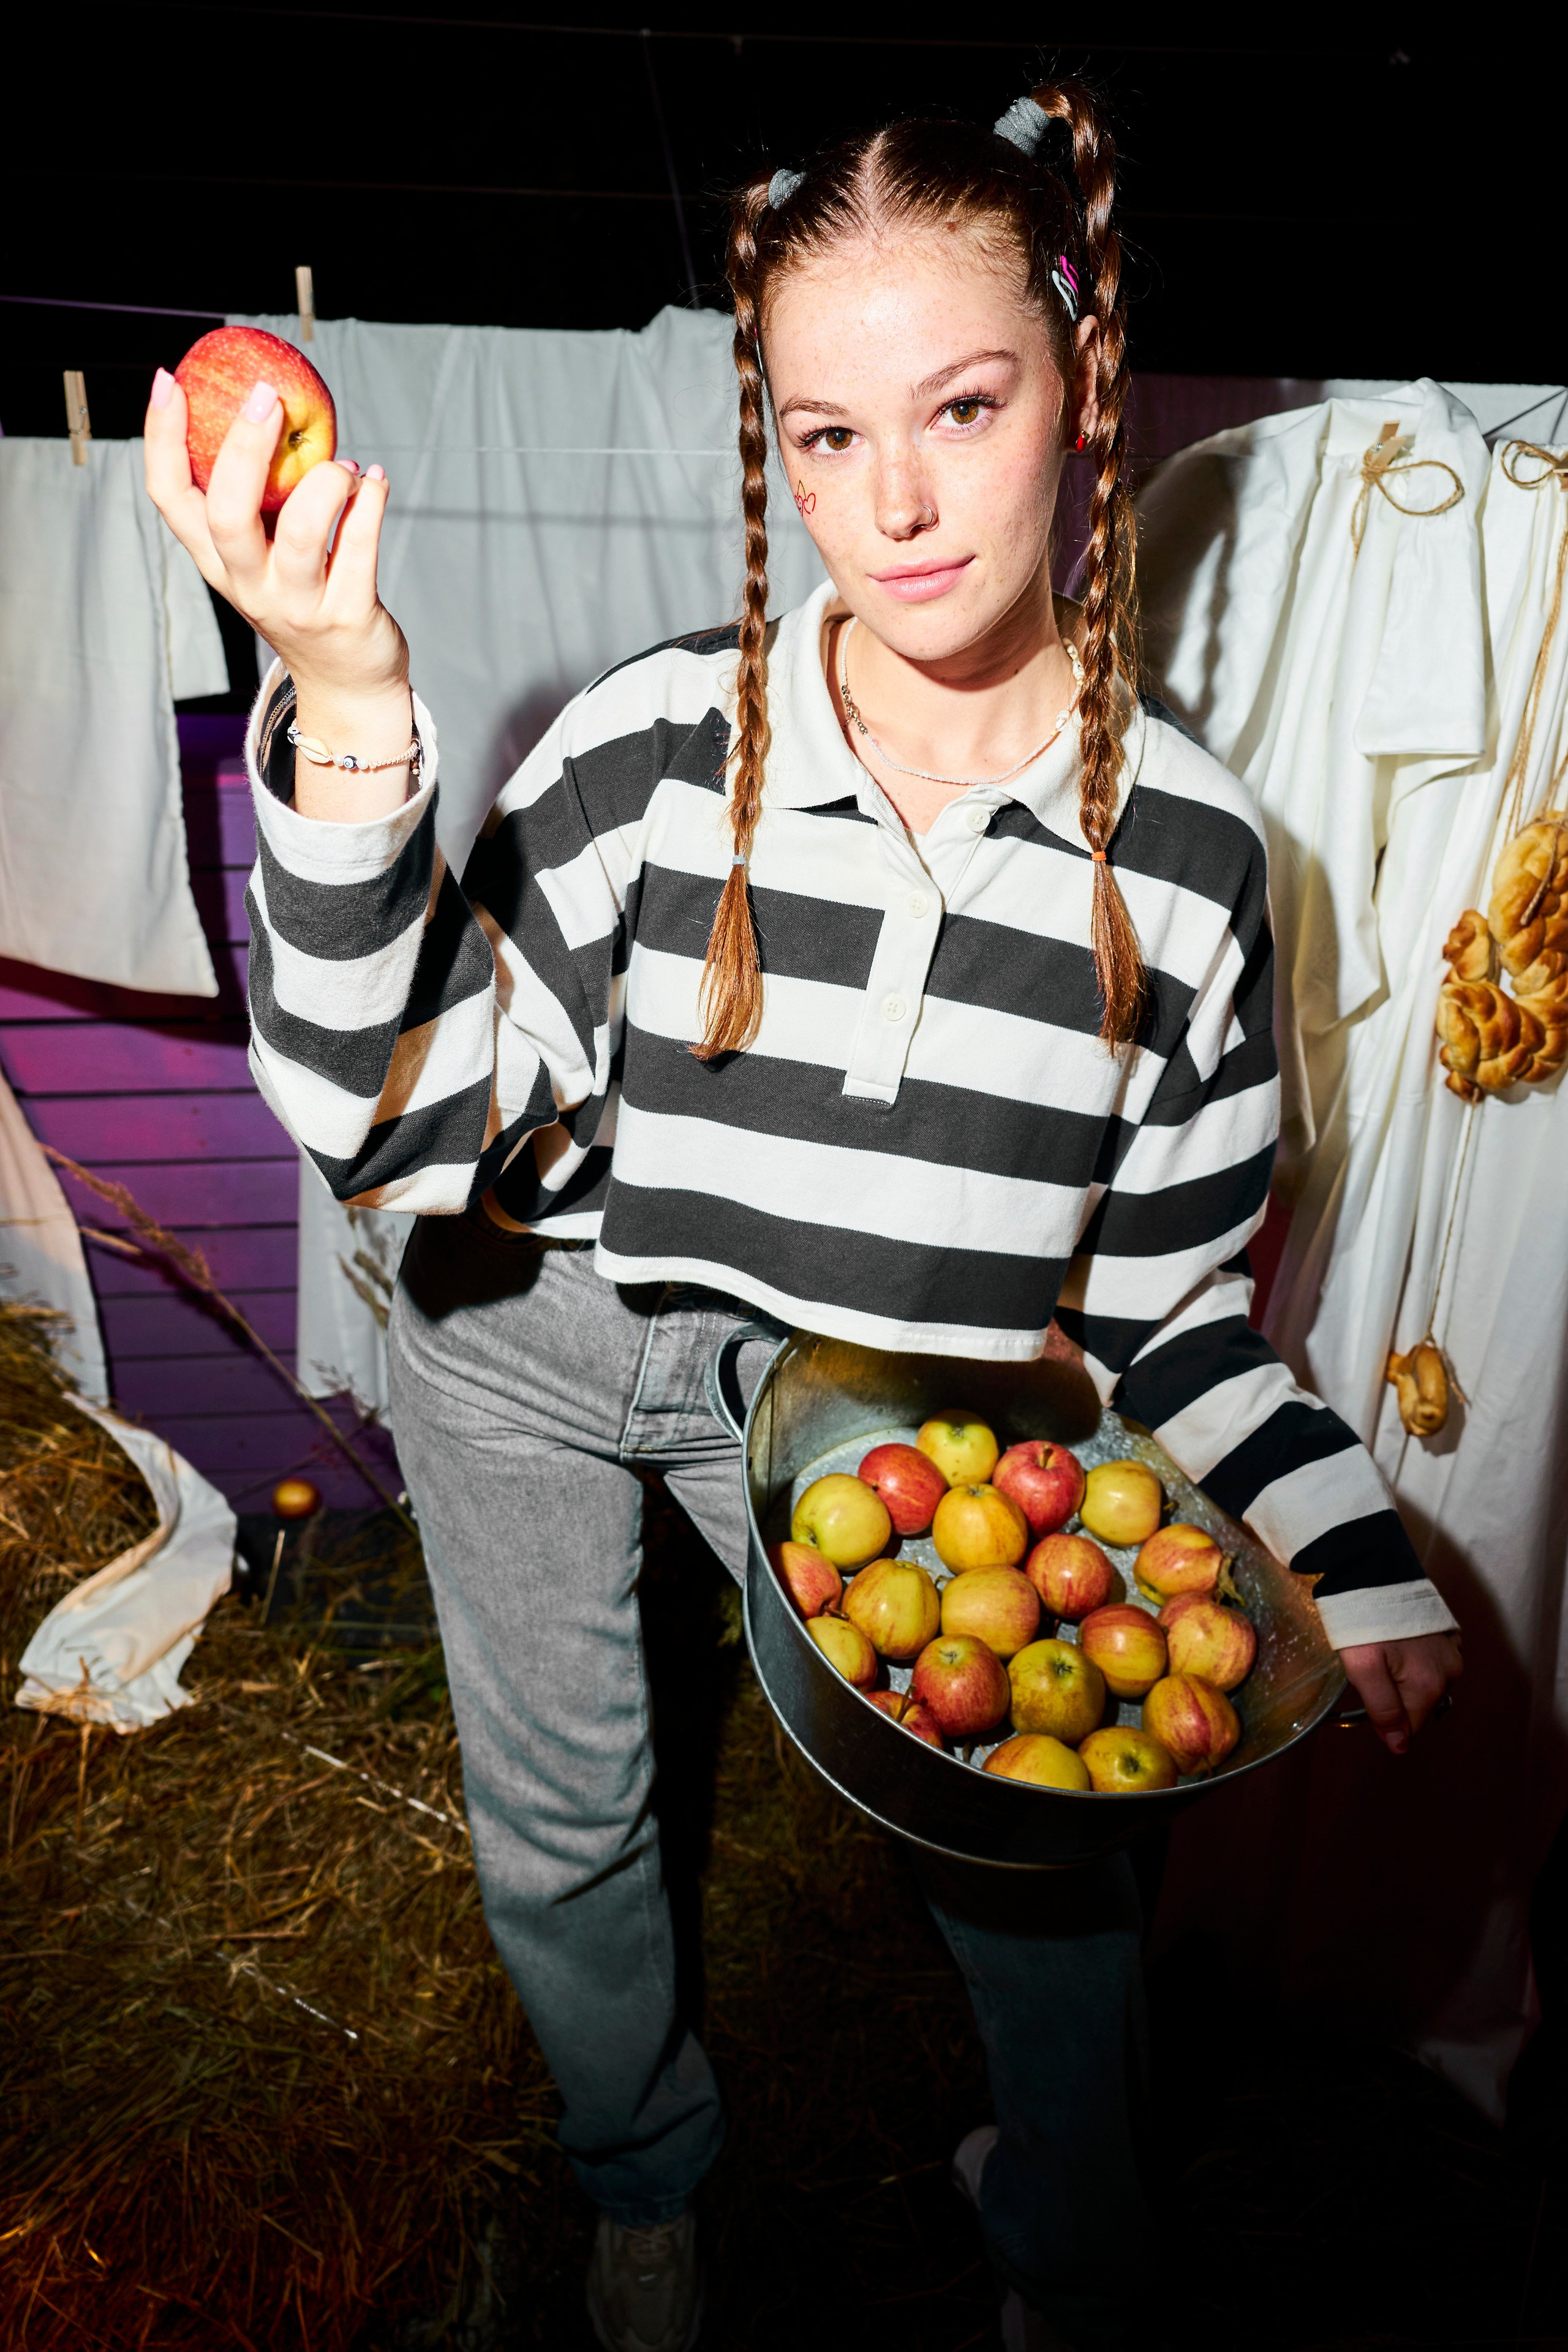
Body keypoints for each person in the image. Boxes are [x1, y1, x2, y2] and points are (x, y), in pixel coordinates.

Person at [147, 78, 1462, 2352]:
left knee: (1036, 1873)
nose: (900, 504)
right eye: (825, 433)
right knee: (565, 1828)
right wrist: (348, 698)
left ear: (1084, 380)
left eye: (962, 406)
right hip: (530, 1336)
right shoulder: (660, 751)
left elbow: (1166, 1312)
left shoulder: (1202, 866)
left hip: (866, 1412)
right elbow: (387, 1113)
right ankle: (643, 2182)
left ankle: (1074, 2239)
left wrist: (1346, 1550)